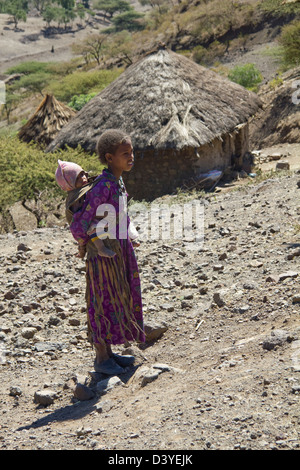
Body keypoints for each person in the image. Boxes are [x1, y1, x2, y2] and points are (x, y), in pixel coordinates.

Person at [68, 129, 145, 375]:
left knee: (118, 298)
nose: (131, 157)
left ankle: (110, 354)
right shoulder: (102, 186)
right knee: (101, 301)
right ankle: (101, 358)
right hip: (103, 257)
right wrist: (95, 244)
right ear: (109, 157)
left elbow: (119, 214)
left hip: (119, 249)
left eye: (131, 152)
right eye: (125, 153)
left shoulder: (117, 181)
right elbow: (79, 225)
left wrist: (129, 238)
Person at [55, 159, 138, 259]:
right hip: (90, 223)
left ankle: (130, 239)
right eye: (77, 178)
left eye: (83, 174)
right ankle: (101, 248)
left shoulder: (91, 186)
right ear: (69, 184)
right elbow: (81, 219)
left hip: (104, 216)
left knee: (123, 218)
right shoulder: (75, 198)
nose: (84, 178)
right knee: (93, 229)